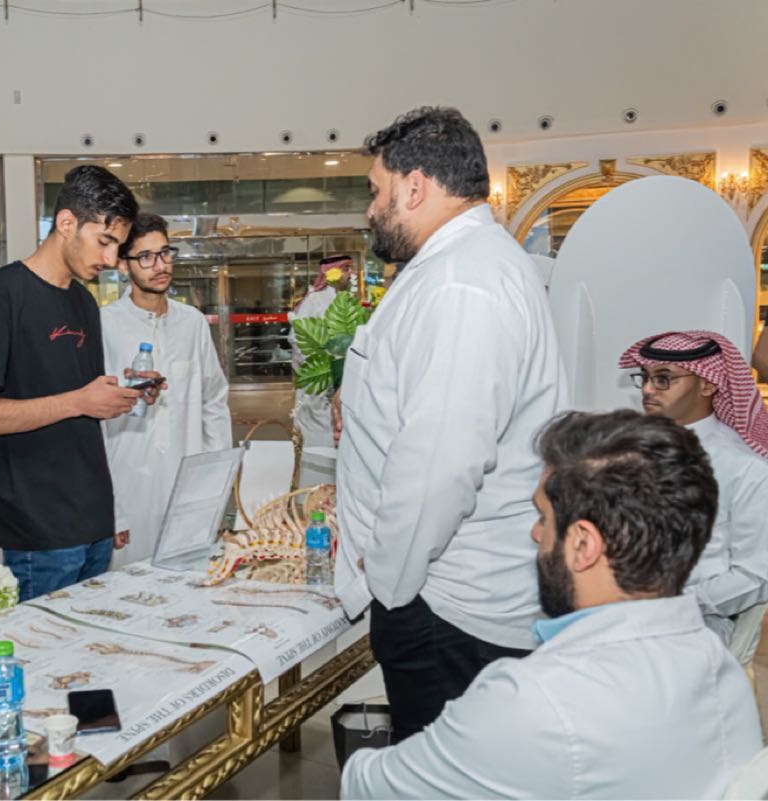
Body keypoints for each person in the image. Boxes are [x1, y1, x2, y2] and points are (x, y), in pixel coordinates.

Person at [341, 410, 762, 799]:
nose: (535, 534)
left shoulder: (537, 700)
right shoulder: (719, 668)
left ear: (583, 545)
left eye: (544, 517)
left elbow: (370, 787)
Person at [334, 107, 566, 742]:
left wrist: (389, 583)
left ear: (414, 187)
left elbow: (441, 465)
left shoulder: (463, 284)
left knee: (443, 772)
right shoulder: (457, 267)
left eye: (376, 191)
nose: (370, 210)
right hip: (442, 592)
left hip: (449, 605)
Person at [0, 165, 159, 601]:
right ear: (66, 222)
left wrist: (120, 394)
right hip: (37, 526)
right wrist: (80, 401)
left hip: (92, 518)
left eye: (118, 247)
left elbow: (73, 393)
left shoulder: (83, 302)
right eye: (104, 241)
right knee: (42, 644)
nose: (111, 260)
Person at [619, 330, 768, 644]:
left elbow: (755, 575)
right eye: (644, 377)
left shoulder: (746, 468)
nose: (647, 389)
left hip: (696, 624)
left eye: (663, 379)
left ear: (707, 384)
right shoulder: (633, 448)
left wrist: (670, 603)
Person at [101, 213, 231, 568]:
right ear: (123, 266)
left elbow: (213, 401)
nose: (159, 265)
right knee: (126, 590)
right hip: (128, 490)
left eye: (164, 253)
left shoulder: (192, 323)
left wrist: (215, 482)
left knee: (188, 586)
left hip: (188, 488)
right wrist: (110, 509)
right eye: (145, 257)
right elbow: (94, 427)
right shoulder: (105, 325)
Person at [288, 255, 353, 449]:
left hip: (343, 381)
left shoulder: (346, 299)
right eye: (346, 268)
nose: (350, 274)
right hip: (319, 382)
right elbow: (297, 337)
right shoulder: (315, 300)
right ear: (331, 271)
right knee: (316, 432)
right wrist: (321, 364)